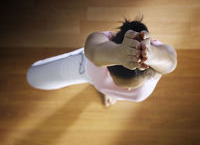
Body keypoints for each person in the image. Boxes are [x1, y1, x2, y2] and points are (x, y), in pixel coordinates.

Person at [26, 15, 177, 107]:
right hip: (87, 69)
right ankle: (104, 85)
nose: (128, 91)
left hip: (98, 77)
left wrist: (151, 55)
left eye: (128, 89)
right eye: (117, 84)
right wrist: (118, 54)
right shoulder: (103, 48)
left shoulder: (154, 70)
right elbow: (93, 50)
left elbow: (170, 63)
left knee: (109, 89)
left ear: (152, 74)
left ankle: (107, 91)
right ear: (107, 69)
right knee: (33, 78)